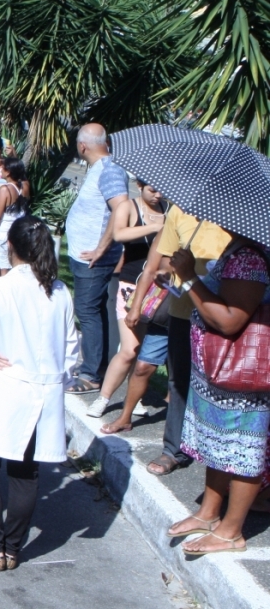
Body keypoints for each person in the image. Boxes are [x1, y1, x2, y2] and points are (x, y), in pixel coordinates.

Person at [0, 217, 80, 570]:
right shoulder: (59, 291)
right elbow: (71, 350)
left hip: (3, 386)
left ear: (10, 247)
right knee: (26, 473)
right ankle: (11, 547)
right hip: (44, 392)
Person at [163, 232, 270, 555]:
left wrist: (190, 277)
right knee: (219, 444)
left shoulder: (250, 257)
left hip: (242, 378)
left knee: (242, 448)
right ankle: (209, 514)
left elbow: (229, 321)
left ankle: (230, 531)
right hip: (221, 376)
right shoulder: (240, 250)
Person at [133, 208, 231, 476]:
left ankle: (221, 459)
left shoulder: (237, 215)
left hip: (222, 314)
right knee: (179, 382)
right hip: (182, 312)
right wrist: (168, 272)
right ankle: (172, 449)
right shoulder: (180, 210)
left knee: (222, 389)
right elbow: (165, 259)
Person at [87, 181, 168, 428]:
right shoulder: (129, 206)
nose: (157, 194)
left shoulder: (168, 209)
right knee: (129, 349)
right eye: (152, 189)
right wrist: (156, 226)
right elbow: (119, 234)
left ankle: (137, 399)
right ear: (140, 185)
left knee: (144, 350)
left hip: (159, 289)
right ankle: (104, 398)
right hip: (131, 285)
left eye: (161, 190)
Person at [63, 123, 129, 394]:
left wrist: (102, 247)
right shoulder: (102, 168)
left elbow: (121, 206)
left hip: (94, 258)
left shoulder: (109, 170)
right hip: (86, 255)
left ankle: (91, 375)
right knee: (94, 310)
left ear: (82, 146)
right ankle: (97, 364)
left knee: (88, 312)